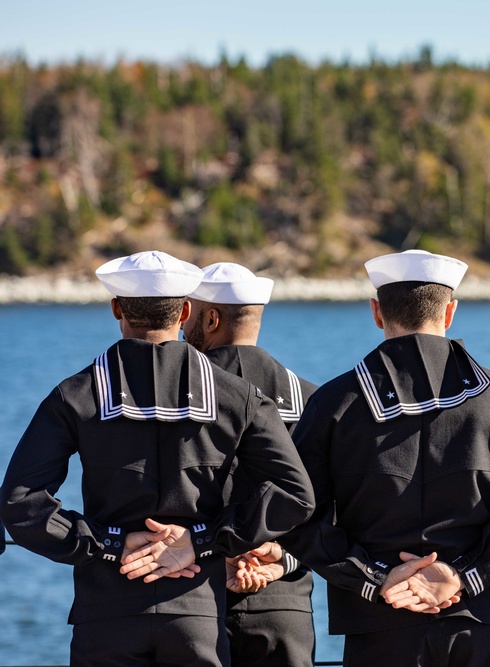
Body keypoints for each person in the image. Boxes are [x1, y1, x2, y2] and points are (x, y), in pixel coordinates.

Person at [0, 250, 315, 667]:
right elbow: (296, 495)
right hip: (197, 615)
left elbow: (19, 503)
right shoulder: (238, 398)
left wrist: (109, 543)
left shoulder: (75, 395)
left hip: (105, 618)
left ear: (116, 308)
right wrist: (200, 541)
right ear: (186, 311)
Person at [282, 249, 490, 667]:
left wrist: (375, 578)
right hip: (475, 622)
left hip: (377, 624)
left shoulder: (333, 405)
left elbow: (295, 514)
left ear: (377, 312)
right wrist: (464, 576)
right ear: (449, 312)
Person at [183, 262, 319, 667]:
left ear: (210, 318)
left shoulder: (173, 398)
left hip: (193, 599)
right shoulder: (314, 399)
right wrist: (281, 557)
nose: (182, 324)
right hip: (283, 605)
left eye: (188, 312)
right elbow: (333, 506)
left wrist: (219, 549)